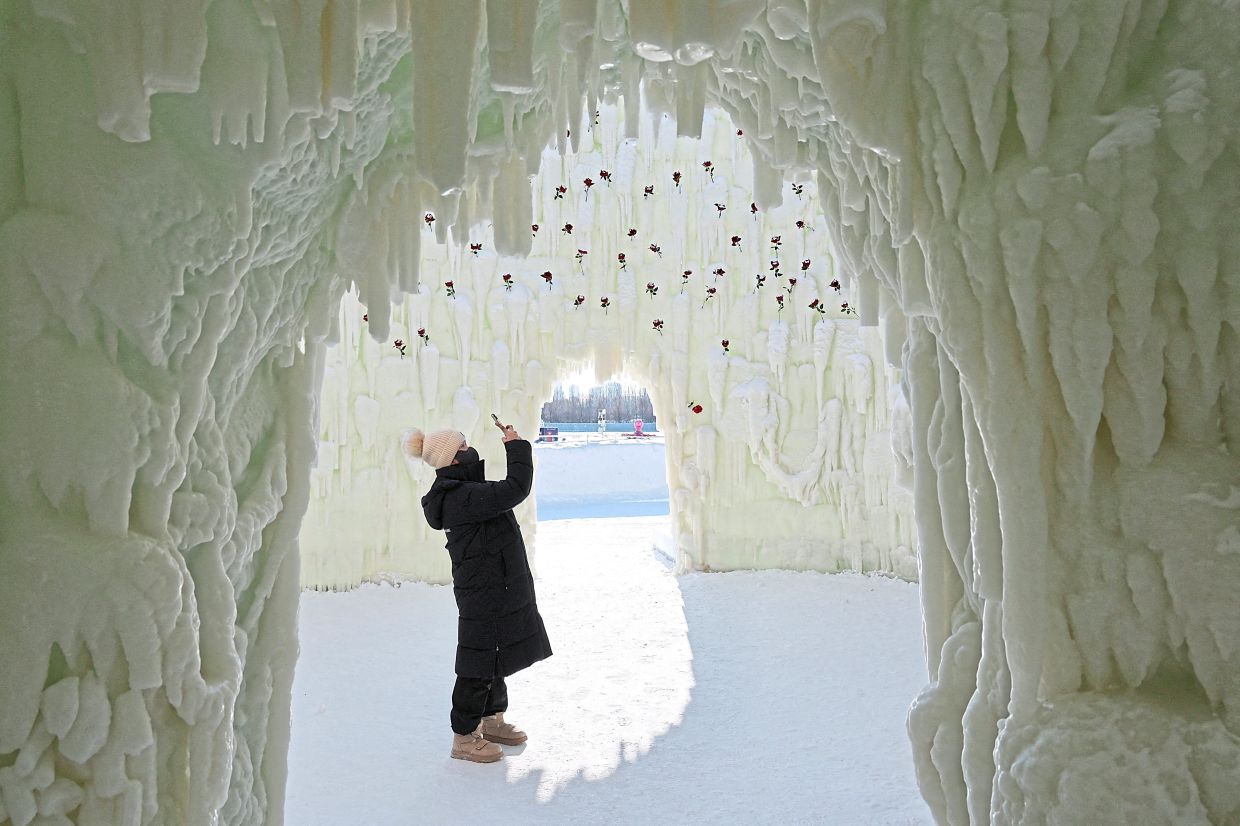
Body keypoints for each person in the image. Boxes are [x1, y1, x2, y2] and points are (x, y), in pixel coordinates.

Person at [403, 420, 553, 763]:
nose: (470, 449)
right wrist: (515, 446)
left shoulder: (467, 491)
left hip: (493, 585)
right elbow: (516, 488)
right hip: (482, 591)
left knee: (495, 654)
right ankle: (464, 736)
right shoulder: (462, 497)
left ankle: (491, 719)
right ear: (453, 459)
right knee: (477, 661)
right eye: (463, 446)